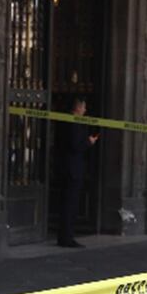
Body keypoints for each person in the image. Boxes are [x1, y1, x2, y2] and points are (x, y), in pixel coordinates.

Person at [57, 97, 99, 248]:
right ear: (78, 108)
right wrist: (89, 142)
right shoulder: (73, 123)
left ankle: (65, 236)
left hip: (69, 167)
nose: (85, 110)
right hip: (72, 169)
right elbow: (75, 145)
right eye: (83, 107)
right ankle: (66, 238)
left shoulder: (70, 122)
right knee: (70, 204)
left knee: (68, 203)